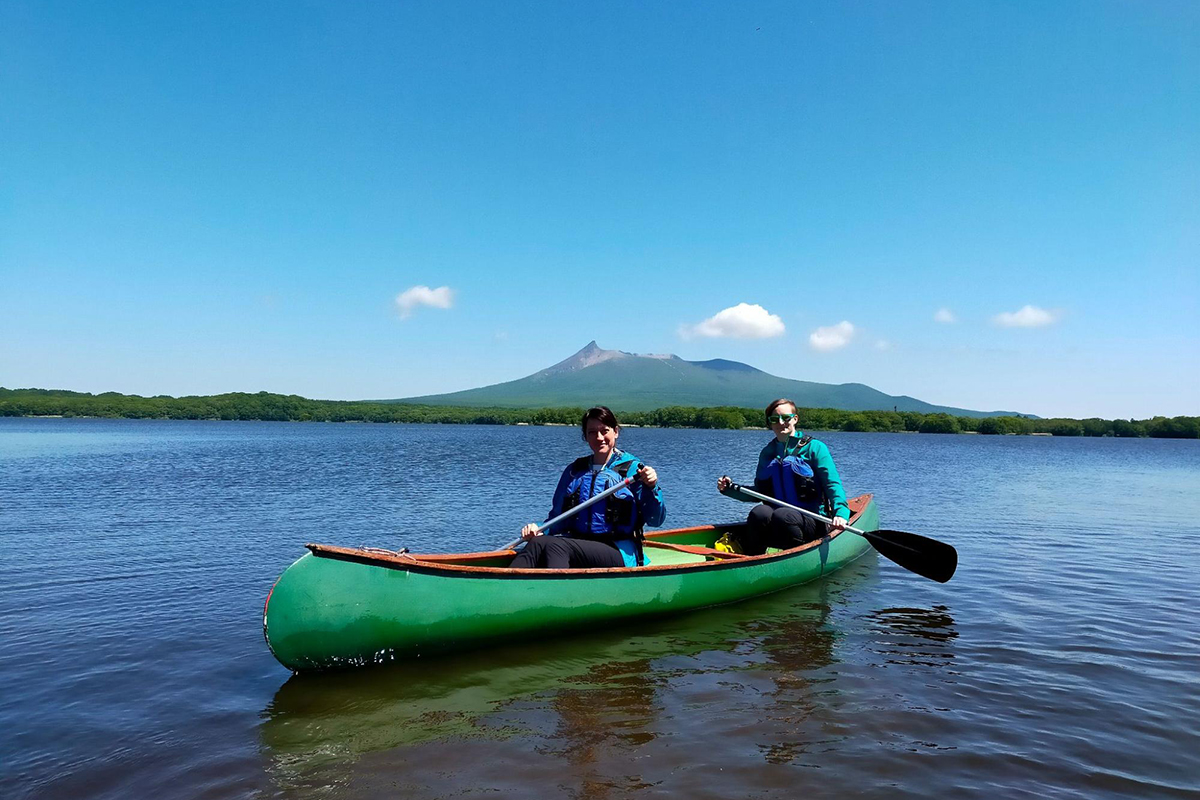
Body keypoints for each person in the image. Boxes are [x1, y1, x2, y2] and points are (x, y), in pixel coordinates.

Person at [512, 406, 665, 569]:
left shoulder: (634, 470)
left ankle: (558, 591)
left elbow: (656, 520)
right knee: (537, 542)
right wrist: (539, 528)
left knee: (556, 546)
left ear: (616, 432)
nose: (599, 437)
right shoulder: (574, 471)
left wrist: (652, 486)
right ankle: (506, 584)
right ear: (585, 436)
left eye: (604, 431)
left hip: (618, 549)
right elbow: (558, 518)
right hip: (579, 545)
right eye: (592, 432)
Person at [716, 398, 851, 555]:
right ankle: (753, 558)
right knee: (759, 513)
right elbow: (759, 492)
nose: (781, 423)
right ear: (770, 423)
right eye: (775, 419)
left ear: (795, 419)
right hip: (779, 525)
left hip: (813, 521)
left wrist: (841, 514)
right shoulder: (767, 453)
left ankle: (796, 559)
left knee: (783, 514)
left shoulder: (815, 448)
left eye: (786, 418)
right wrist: (729, 489)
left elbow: (832, 485)